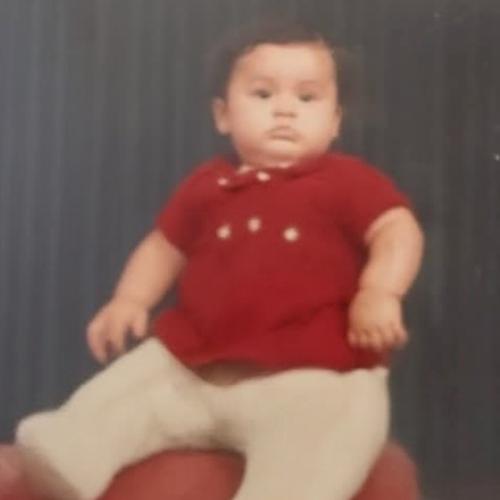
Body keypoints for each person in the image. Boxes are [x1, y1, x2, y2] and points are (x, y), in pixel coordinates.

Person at [15, 19, 424, 500]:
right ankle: (69, 455)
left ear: (335, 121)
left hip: (309, 376)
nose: (285, 110)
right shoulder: (207, 184)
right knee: (131, 383)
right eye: (263, 94)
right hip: (194, 370)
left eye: (307, 97)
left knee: (325, 432)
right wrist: (130, 299)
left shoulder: (345, 181)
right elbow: (163, 247)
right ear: (223, 114)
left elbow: (396, 229)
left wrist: (380, 291)